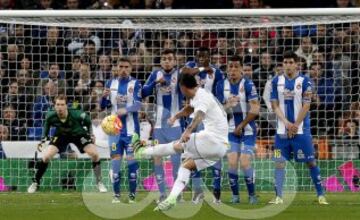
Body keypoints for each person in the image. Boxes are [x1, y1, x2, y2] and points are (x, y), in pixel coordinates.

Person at [133, 73, 228, 211]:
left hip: (212, 140)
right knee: (186, 165)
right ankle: (171, 199)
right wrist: (175, 116)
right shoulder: (200, 94)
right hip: (220, 148)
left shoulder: (201, 97)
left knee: (175, 146)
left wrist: (188, 131)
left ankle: (141, 152)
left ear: (183, 87)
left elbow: (199, 114)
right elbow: (190, 108)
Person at [269, 51, 328, 205]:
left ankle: (321, 195)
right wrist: (286, 123)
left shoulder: (306, 81)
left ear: (296, 64)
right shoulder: (275, 81)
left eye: (290, 62)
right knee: (278, 162)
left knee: (311, 162)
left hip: (302, 131)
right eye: (285, 62)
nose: (288, 65)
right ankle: (279, 196)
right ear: (282, 64)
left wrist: (295, 125)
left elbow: (307, 104)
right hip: (281, 132)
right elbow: (274, 105)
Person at [27, 95, 107, 193]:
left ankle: (99, 182)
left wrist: (91, 135)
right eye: (57, 104)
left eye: (62, 104)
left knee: (95, 154)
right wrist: (43, 141)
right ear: (54, 105)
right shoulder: (50, 115)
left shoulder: (77, 114)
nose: (60, 107)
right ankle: (35, 182)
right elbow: (46, 127)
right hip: (61, 135)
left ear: (66, 106)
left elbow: (88, 122)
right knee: (46, 156)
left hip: (78, 134)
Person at [181, 47, 224, 204]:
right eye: (199, 56)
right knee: (194, 155)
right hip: (194, 118)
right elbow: (184, 74)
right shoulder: (191, 67)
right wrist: (201, 68)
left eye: (204, 56)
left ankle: (216, 193)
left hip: (211, 120)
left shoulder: (216, 72)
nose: (201, 58)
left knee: (215, 155)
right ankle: (197, 192)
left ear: (209, 57)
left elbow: (219, 97)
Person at [216, 55, 260, 204]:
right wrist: (227, 106)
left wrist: (241, 125)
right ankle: (235, 196)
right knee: (232, 162)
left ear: (241, 69)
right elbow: (217, 111)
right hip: (230, 132)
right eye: (230, 66)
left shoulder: (248, 84)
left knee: (245, 162)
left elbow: (255, 109)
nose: (233, 70)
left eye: (236, 66)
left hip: (247, 131)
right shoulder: (221, 85)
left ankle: (252, 195)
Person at [142, 49, 183, 203]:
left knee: (176, 160)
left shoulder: (179, 75)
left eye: (170, 58)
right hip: (158, 127)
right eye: (164, 58)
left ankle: (177, 193)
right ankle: (162, 194)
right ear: (161, 62)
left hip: (175, 125)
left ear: (174, 61)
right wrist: (155, 83)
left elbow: (188, 93)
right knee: (157, 158)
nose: (167, 61)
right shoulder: (155, 75)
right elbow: (143, 93)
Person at [100, 57, 141, 203]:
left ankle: (132, 195)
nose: (123, 69)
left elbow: (137, 106)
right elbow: (103, 106)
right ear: (116, 68)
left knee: (131, 164)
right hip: (115, 132)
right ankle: (116, 195)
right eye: (121, 66)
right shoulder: (110, 83)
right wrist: (103, 98)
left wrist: (125, 110)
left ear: (131, 68)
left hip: (131, 132)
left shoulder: (135, 83)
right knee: (115, 163)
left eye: (126, 67)